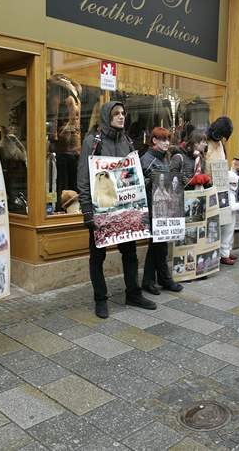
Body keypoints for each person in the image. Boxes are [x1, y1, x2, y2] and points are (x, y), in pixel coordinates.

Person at [78, 101, 156, 319]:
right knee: (97, 256)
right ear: (106, 117)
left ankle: (133, 293)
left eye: (123, 113)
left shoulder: (128, 142)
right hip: (100, 208)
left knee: (129, 253)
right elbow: (84, 179)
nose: (121, 117)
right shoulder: (91, 143)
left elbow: (133, 175)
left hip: (125, 208)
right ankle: (100, 299)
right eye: (116, 114)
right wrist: (87, 212)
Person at [140, 128, 183, 295]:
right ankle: (160, 280)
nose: (166, 143)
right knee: (158, 245)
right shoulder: (147, 159)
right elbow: (140, 184)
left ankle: (154, 280)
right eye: (162, 139)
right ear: (154, 141)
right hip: (152, 209)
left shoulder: (163, 158)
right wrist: (150, 181)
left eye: (167, 140)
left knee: (159, 245)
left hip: (163, 209)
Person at [206, 116, 238, 265]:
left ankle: (224, 250)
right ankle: (214, 252)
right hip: (207, 187)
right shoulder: (206, 142)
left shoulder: (220, 144)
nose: (220, 138)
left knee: (227, 220)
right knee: (212, 223)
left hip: (221, 186)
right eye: (220, 135)